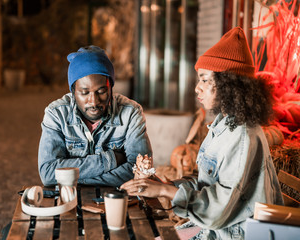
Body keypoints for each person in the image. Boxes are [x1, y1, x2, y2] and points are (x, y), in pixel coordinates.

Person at [121, 27, 284, 239]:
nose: (197, 88)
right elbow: (206, 183)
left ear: (229, 84)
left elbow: (221, 207)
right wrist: (165, 184)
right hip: (216, 228)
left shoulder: (242, 135)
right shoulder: (224, 124)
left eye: (205, 79)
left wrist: (165, 192)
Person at [38, 45, 152, 187]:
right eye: (84, 92)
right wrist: (111, 160)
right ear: (73, 92)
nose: (94, 101)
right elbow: (48, 174)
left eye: (101, 91)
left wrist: (73, 180)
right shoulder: (56, 114)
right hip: (71, 201)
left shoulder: (131, 113)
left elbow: (140, 170)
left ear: (111, 88)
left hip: (116, 200)